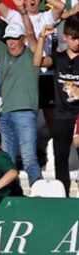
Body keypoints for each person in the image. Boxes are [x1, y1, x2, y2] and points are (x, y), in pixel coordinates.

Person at [0, 0, 43, 186]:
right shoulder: (4, 52)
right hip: (5, 114)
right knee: (8, 161)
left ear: (22, 39)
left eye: (15, 39)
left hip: (25, 113)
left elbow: (30, 33)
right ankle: (12, 196)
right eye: (8, 39)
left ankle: (39, 196)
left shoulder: (32, 55)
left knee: (29, 159)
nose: (11, 43)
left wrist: (23, 13)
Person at [34, 18, 79, 196]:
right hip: (61, 115)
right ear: (66, 37)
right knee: (60, 159)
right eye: (74, 38)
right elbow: (37, 62)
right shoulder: (59, 58)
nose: (77, 42)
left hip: (78, 116)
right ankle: (63, 196)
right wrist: (42, 38)